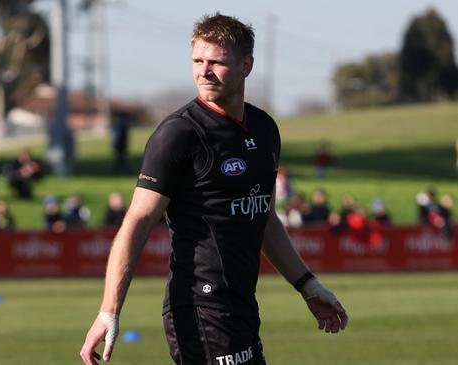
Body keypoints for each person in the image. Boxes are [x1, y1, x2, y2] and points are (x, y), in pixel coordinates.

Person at [81, 13, 348, 365]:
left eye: (216, 62)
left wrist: (307, 285)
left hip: (242, 305)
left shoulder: (265, 130)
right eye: (197, 61)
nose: (203, 72)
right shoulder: (177, 134)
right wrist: (109, 311)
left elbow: (264, 219)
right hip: (200, 306)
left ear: (246, 65)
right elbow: (138, 221)